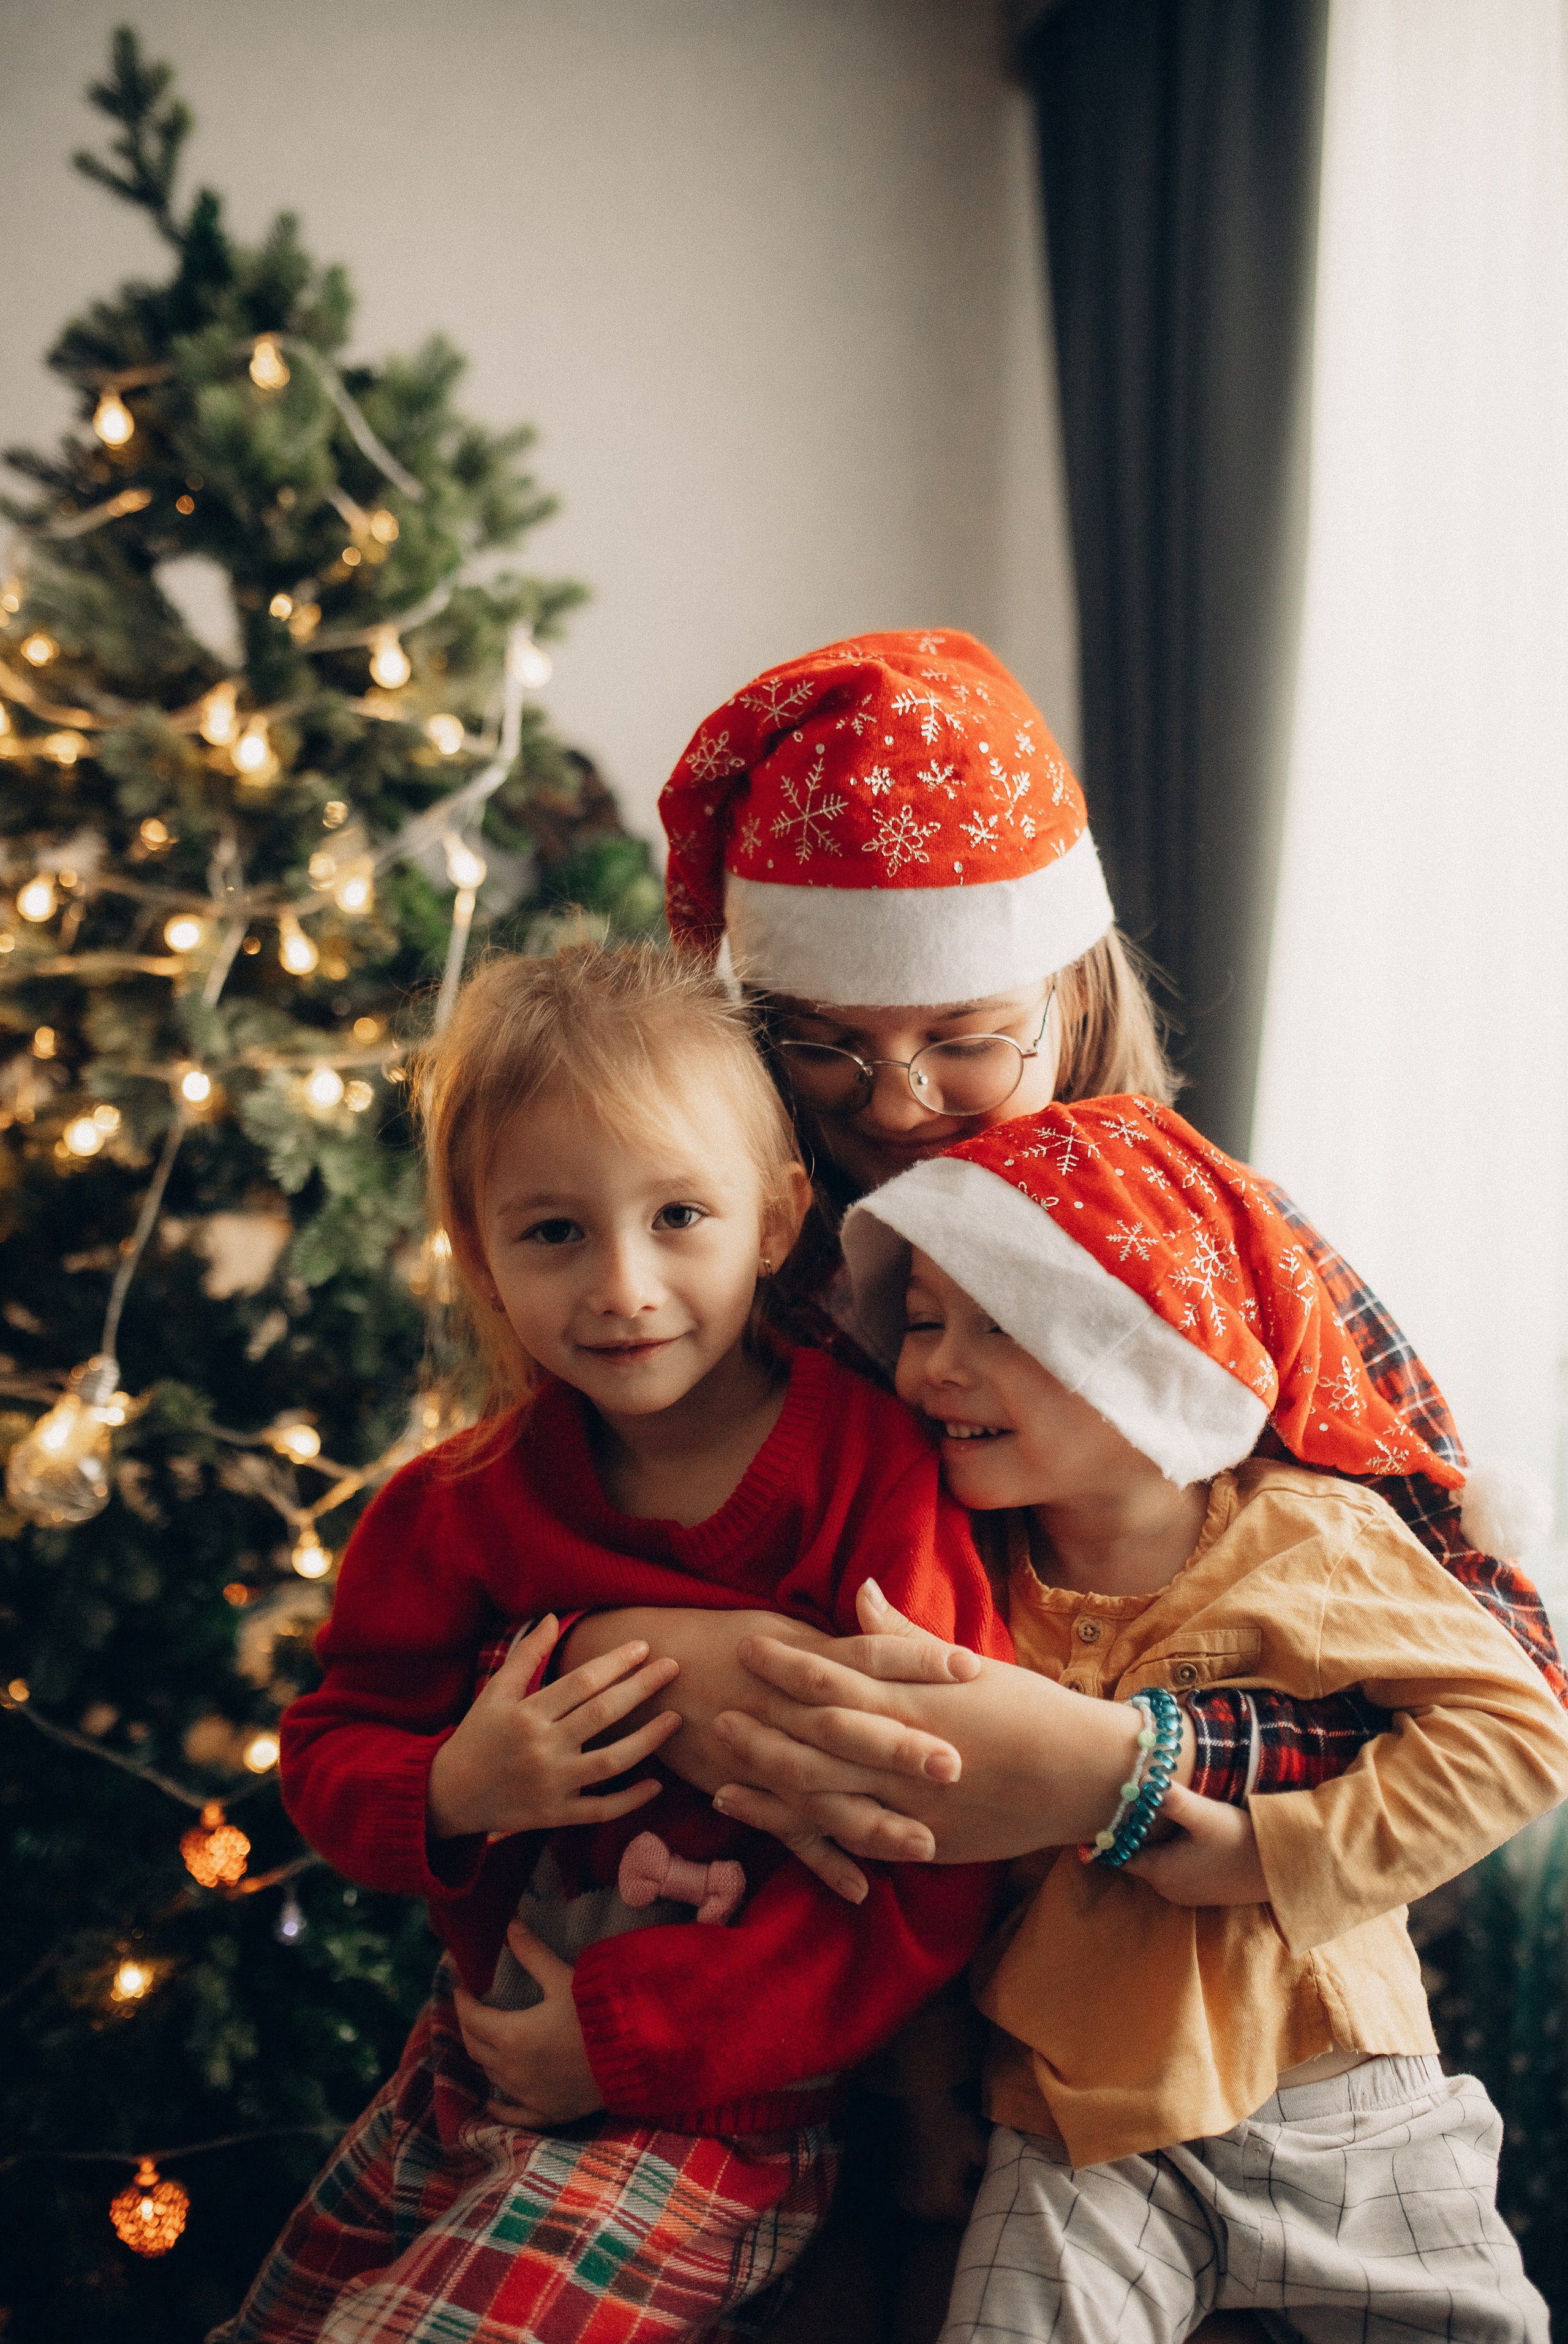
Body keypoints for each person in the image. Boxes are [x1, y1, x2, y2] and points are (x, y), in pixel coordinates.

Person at [584, 624, 1561, 1893]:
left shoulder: (1217, 1254)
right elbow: (536, 1539)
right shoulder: (721, 1264)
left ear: (1075, 999)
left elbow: (1497, 1661)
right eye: (823, 1043)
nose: (893, 1103)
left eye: (964, 1039)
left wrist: (1125, 1762)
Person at [213, 942, 1010, 2344]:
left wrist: (630, 2042)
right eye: (554, 1233)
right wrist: (458, 1788)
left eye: (677, 1217)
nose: (623, 1287)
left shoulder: (868, 1474)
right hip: (464, 2071)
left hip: (723, 2116)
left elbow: (933, 1852)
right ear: (476, 1248)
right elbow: (330, 1752)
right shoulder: (450, 1508)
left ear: (774, 1224)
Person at [835, 1095, 1568, 2343]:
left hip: (1335, 2086)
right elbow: (903, 1861)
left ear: (1146, 1347)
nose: (932, 1368)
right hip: (1074, 2120)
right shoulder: (947, 1569)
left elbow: (1515, 1737)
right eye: (918, 1323)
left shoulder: (1303, 1532)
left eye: (998, 1326)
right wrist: (928, 2093)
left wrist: (1267, 1856)